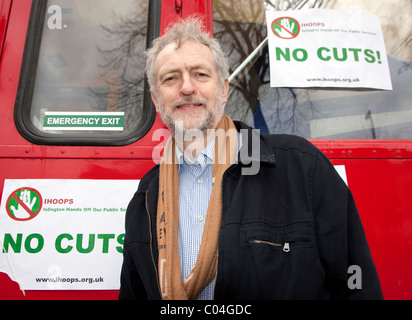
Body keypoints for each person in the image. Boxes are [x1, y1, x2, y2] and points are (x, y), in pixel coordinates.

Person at [119, 17, 383, 300]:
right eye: (171, 78)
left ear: (223, 90)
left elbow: (356, 285)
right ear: (157, 100)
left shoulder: (301, 167)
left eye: (200, 74)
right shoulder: (145, 199)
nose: (186, 87)